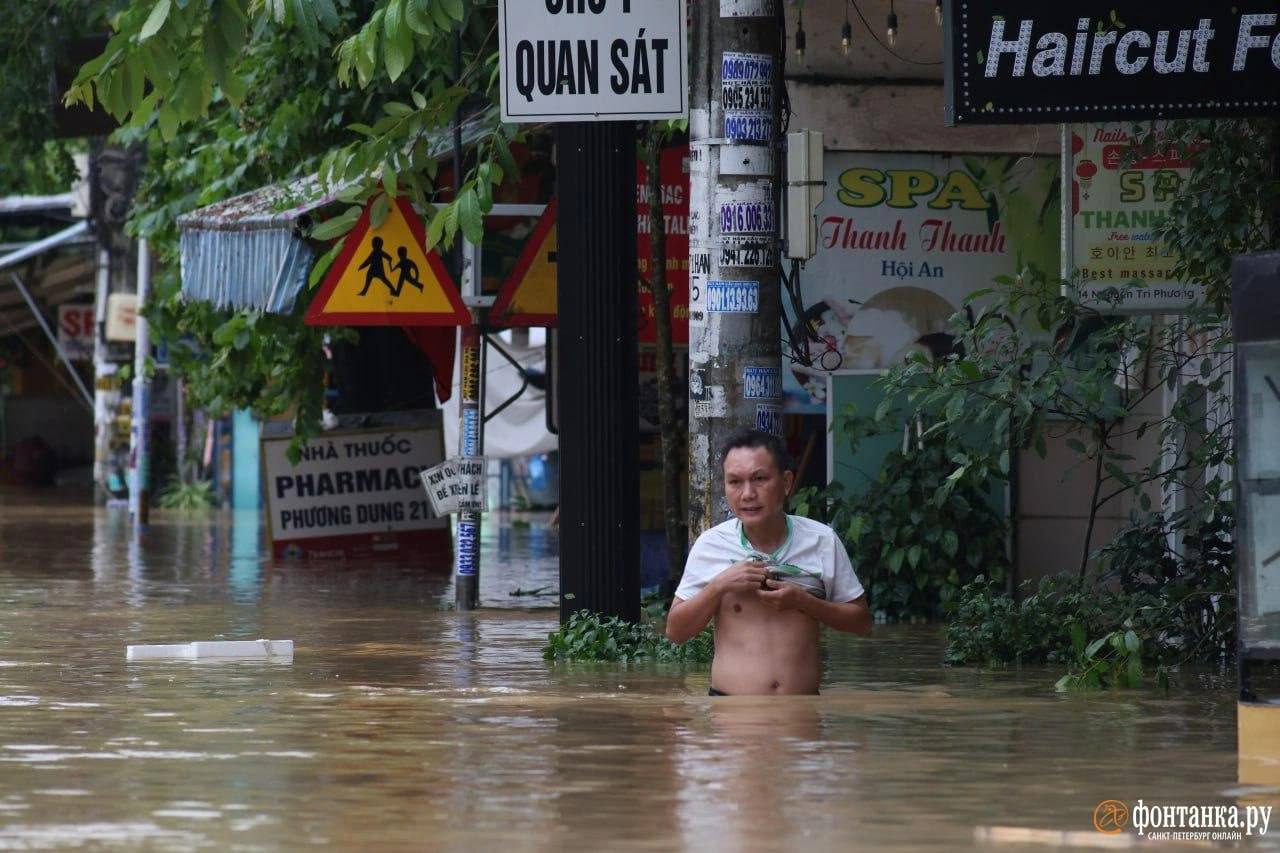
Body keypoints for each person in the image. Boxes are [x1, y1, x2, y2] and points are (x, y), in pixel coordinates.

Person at [665, 430, 871, 695]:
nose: (748, 494)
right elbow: (675, 631)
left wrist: (804, 602)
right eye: (735, 482)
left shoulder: (821, 540)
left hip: (801, 713)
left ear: (786, 482)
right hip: (732, 716)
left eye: (760, 479)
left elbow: (862, 623)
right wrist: (719, 586)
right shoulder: (711, 544)